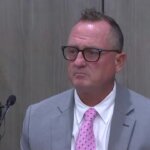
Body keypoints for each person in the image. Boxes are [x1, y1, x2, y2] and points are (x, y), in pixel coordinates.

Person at [20, 8, 150, 150]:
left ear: (118, 62)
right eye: (72, 51)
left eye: (92, 53)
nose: (78, 62)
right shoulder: (37, 119)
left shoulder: (146, 119)